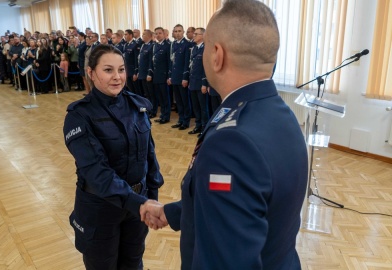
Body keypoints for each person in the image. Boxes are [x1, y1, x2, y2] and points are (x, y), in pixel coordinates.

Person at [140, 0, 309, 269]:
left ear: (217, 55)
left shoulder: (232, 142)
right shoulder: (280, 114)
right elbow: (243, 201)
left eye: (205, 45)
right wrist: (171, 213)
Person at [63, 44, 163, 270]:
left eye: (121, 69)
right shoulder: (79, 116)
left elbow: (149, 155)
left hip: (137, 206)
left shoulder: (137, 105)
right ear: (91, 73)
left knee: (133, 263)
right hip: (101, 209)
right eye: (108, 70)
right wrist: (141, 204)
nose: (117, 77)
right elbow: (96, 172)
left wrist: (151, 195)